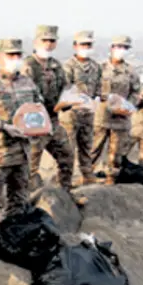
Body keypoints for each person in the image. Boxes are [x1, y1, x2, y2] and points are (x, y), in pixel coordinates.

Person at [0, 39, 40, 250]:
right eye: (9, 55)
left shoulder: (28, 83)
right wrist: (4, 127)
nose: (14, 59)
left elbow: (37, 109)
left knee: (19, 199)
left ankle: (12, 238)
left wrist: (41, 126)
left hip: (22, 152)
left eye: (17, 55)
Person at [21, 25, 75, 192]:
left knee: (67, 156)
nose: (48, 44)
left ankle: (64, 194)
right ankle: (28, 202)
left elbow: (64, 90)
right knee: (30, 166)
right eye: (45, 40)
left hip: (53, 121)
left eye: (52, 41)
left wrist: (70, 100)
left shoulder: (57, 66)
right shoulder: (28, 66)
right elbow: (23, 97)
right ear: (36, 42)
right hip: (34, 124)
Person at [92, 35, 140, 185]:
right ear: (112, 48)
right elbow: (91, 89)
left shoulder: (130, 71)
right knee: (93, 147)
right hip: (102, 115)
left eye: (125, 48)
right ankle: (86, 175)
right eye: (119, 47)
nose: (122, 50)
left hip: (121, 118)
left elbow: (136, 92)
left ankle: (111, 177)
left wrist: (127, 106)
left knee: (116, 152)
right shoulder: (99, 69)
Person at [61, 30, 102, 185]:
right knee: (69, 148)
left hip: (88, 114)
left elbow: (98, 88)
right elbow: (65, 89)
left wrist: (95, 100)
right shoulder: (68, 66)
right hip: (71, 114)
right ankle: (67, 179)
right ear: (75, 45)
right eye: (83, 44)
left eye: (88, 44)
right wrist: (77, 101)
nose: (86, 47)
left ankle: (87, 175)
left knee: (86, 146)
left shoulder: (96, 67)